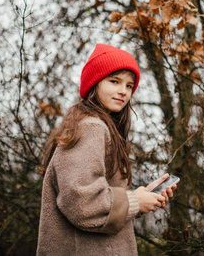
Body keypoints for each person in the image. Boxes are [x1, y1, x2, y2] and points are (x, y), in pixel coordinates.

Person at [36, 44, 177, 255]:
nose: (123, 91)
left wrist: (143, 197)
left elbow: (94, 195)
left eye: (129, 86)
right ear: (95, 83)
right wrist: (134, 201)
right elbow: (81, 201)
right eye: (114, 81)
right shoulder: (91, 127)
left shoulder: (93, 126)